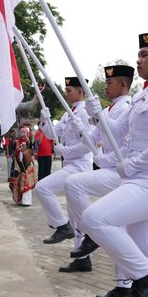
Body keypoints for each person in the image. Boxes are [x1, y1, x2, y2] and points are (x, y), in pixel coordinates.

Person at [81, 32, 148, 297]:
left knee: (95, 218)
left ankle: (144, 276)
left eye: (144, 55)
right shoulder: (143, 95)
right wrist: (99, 114)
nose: (138, 60)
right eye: (138, 54)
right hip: (142, 181)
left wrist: (131, 165)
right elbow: (117, 132)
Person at [64, 65, 134, 297]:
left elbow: (124, 144)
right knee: (118, 229)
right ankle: (123, 284)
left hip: (119, 173)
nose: (105, 86)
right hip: (109, 169)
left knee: (75, 184)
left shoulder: (127, 108)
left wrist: (107, 158)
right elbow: (93, 138)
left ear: (123, 85)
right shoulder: (110, 108)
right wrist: (81, 130)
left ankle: (90, 235)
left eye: (110, 82)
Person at [35, 77, 93, 273]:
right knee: (77, 216)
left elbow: (88, 145)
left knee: (42, 187)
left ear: (80, 91)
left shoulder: (84, 113)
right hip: (70, 166)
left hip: (79, 167)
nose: (66, 93)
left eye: (69, 90)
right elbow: (51, 134)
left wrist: (63, 152)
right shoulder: (69, 114)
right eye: (66, 90)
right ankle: (82, 258)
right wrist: (44, 119)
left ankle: (62, 226)